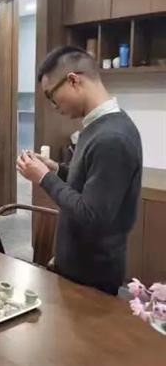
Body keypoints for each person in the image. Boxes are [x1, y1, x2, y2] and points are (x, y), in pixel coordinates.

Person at [17, 46, 143, 295]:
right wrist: (57, 169)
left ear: (73, 80)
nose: (53, 106)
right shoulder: (97, 126)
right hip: (77, 266)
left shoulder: (112, 138)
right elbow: (86, 183)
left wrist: (44, 177)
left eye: (52, 96)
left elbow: (91, 215)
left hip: (92, 276)